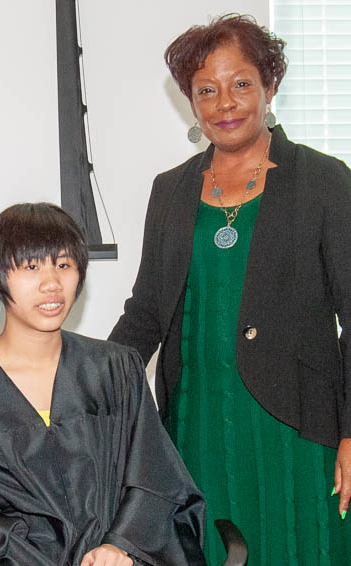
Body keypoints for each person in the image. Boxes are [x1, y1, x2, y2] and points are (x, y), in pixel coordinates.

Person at [109, 14, 351, 565]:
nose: (225, 102)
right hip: (195, 426)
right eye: (206, 90)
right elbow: (146, 314)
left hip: (296, 431)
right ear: (191, 103)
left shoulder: (323, 181)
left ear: (270, 85)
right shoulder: (170, 190)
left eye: (241, 83)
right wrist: (81, 383)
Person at [0, 203, 206, 566]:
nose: (51, 284)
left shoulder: (115, 369)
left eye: (63, 265)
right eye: (31, 266)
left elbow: (156, 479)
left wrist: (119, 546)